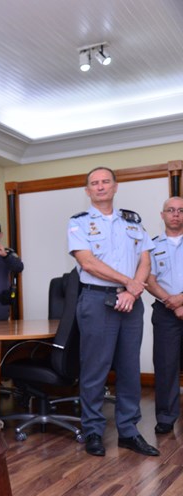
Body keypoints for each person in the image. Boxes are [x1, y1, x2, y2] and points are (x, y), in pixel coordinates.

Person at [67, 166, 158, 457]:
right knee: (95, 369)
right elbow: (89, 263)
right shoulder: (78, 223)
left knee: (130, 369)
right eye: (95, 183)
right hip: (97, 301)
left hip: (131, 302)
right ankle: (93, 430)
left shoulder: (132, 221)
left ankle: (129, 432)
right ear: (88, 191)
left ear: (115, 187)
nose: (101, 186)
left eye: (106, 181)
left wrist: (133, 290)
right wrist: (127, 283)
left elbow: (145, 258)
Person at [146, 196, 183, 435]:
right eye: (170, 210)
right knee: (166, 366)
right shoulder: (152, 245)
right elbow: (147, 279)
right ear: (163, 215)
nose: (175, 214)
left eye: (180, 210)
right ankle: (166, 417)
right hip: (166, 312)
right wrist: (172, 302)